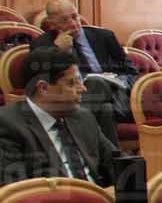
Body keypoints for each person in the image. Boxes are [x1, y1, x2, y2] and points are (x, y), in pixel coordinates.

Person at [0, 47, 116, 187]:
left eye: (80, 81)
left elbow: (116, 162)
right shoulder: (7, 125)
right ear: (43, 88)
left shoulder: (83, 117)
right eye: (72, 83)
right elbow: (18, 191)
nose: (83, 88)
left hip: (99, 196)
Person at [30, 0, 134, 145]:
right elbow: (41, 79)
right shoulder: (42, 45)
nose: (73, 23)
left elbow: (131, 72)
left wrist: (116, 80)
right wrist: (57, 51)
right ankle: (111, 157)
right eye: (64, 20)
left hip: (117, 98)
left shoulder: (104, 36)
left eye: (75, 16)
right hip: (75, 100)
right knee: (105, 110)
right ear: (52, 24)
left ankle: (73, 142)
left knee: (97, 83)